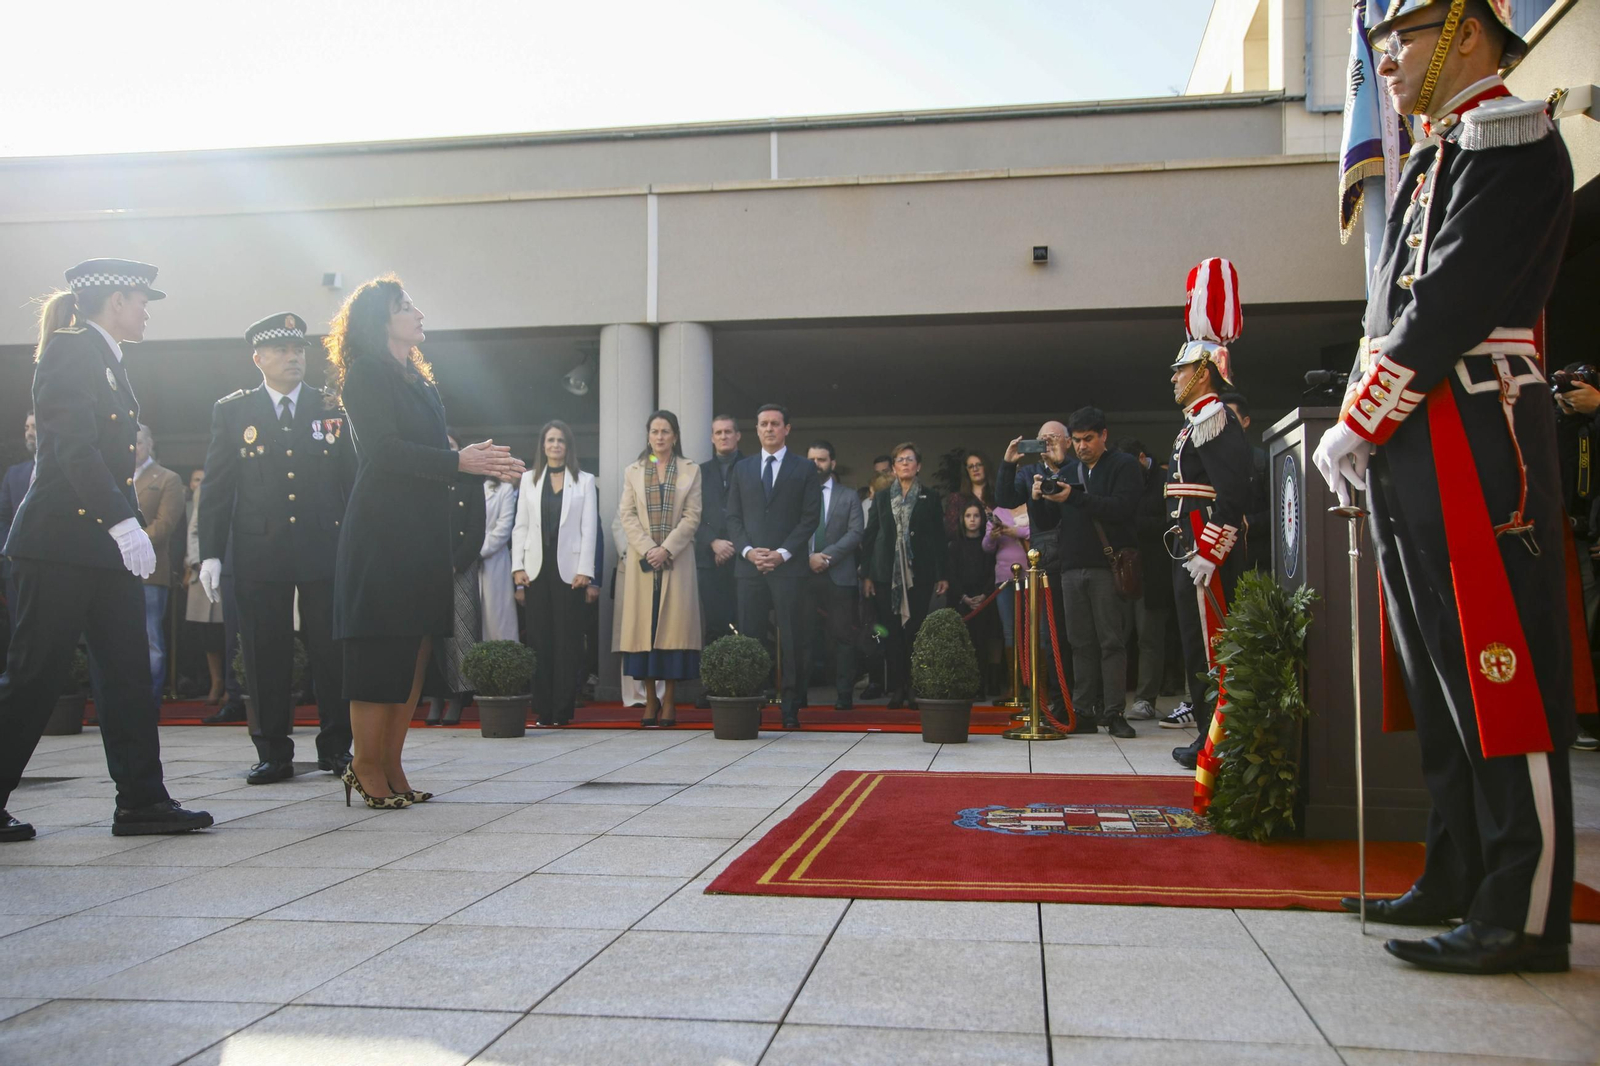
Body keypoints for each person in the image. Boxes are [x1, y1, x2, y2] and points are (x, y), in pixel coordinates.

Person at [1310, 0, 1578, 974]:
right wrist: (1364, 418)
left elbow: (1454, 297)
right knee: (1442, 673)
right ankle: (1461, 868)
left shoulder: (1508, 139)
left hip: (1475, 424)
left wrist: (1363, 414)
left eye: (1403, 41)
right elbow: (1394, 309)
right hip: (1423, 433)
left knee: (1501, 672)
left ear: (1465, 33)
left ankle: (1525, 903)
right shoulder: (1435, 157)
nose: (1386, 64)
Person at [0, 258, 212, 843]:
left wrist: (122, 530)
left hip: (100, 547)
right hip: (60, 544)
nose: (147, 311)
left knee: (126, 675)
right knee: (34, 677)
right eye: (142, 300)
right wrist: (126, 524)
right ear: (116, 301)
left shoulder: (108, 360)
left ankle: (142, 801)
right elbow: (73, 448)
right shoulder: (71, 349)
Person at [328, 276, 523, 808]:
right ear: (380, 319)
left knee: (413, 652)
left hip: (420, 536)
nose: (417, 313)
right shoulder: (365, 374)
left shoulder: (420, 379)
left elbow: (435, 459)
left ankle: (391, 762)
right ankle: (364, 765)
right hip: (381, 536)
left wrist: (483, 462)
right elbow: (386, 452)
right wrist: (461, 461)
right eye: (405, 306)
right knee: (378, 654)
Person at [198, 313, 359, 784]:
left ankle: (336, 747)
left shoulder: (331, 406)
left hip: (322, 547)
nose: (294, 358)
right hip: (258, 551)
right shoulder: (233, 411)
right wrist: (211, 551)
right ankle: (273, 752)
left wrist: (356, 543)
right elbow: (218, 487)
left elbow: (352, 482)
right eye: (283, 351)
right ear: (259, 358)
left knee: (331, 652)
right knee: (265, 653)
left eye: (299, 350)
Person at [1164, 259, 1252, 773]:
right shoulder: (1194, 420)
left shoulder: (1213, 414)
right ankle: (1205, 734)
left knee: (1212, 647)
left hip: (1202, 543)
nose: (1174, 378)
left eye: (1180, 369)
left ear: (1202, 371)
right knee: (1196, 648)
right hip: (1187, 541)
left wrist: (1212, 549)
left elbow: (1234, 490)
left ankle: (1216, 739)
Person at [1034, 406, 1143, 738]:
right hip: (1070, 568)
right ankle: (1081, 710)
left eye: (1088, 439)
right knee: (1079, 642)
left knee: (1111, 641)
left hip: (1106, 567)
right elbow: (1047, 523)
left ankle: (1113, 712)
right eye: (1077, 440)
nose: (1082, 446)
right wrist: (1040, 497)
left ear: (1103, 435)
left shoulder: (1123, 465)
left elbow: (1122, 508)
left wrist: (1074, 498)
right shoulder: (1068, 472)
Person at [725, 404, 820, 728]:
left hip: (788, 568)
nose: (769, 429)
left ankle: (791, 708)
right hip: (749, 567)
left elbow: (810, 518)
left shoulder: (804, 468)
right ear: (757, 429)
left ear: (787, 429)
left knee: (791, 639)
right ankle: (752, 703)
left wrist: (782, 553)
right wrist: (749, 551)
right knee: (750, 638)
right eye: (763, 424)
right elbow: (733, 517)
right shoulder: (743, 468)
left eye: (775, 424)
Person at [617, 410, 702, 727]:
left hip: (676, 560)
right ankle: (649, 700)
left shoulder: (689, 470)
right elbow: (627, 516)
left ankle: (669, 702)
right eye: (655, 431)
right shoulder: (634, 471)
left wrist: (666, 548)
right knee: (645, 631)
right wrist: (650, 549)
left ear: (675, 436)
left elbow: (692, 516)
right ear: (648, 436)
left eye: (666, 431)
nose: (660, 437)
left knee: (672, 631)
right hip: (644, 562)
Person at [511, 420, 597, 727]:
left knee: (567, 641)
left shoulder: (585, 481)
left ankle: (562, 710)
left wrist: (586, 570)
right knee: (539, 639)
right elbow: (520, 525)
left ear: (568, 446)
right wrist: (517, 567)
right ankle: (543, 710)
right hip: (535, 570)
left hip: (570, 573)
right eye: (550, 440)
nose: (555, 445)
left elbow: (589, 529)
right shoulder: (528, 480)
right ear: (543, 445)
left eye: (561, 440)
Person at [861, 442, 947, 708]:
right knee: (893, 634)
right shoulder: (883, 496)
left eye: (910, 459)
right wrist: (867, 575)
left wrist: (942, 574)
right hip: (886, 574)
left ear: (918, 466)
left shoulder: (930, 497)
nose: (905, 463)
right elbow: (871, 535)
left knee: (915, 631)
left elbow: (938, 539)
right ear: (894, 467)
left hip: (919, 574)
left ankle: (915, 687)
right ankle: (898, 687)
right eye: (900, 459)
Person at [999, 421, 1075, 705]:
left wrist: (1062, 467)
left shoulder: (1077, 468)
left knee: (1078, 634)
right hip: (1046, 558)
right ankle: (1056, 697)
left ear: (1068, 442)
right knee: (1050, 633)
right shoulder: (1031, 473)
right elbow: (1005, 498)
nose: (1048, 443)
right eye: (1042, 439)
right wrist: (1008, 464)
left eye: (1054, 438)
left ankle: (1085, 699)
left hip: (1079, 555)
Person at [425, 434, 488, 726]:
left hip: (460, 567)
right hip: (427, 569)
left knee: (461, 635)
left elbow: (477, 531)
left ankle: (457, 698)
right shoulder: (425, 485)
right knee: (430, 636)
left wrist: (455, 564)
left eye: (451, 447)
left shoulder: (471, 484)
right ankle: (434, 697)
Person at [803, 439, 864, 709]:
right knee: (803, 636)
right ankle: (799, 696)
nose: (816, 465)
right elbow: (790, 531)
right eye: (812, 460)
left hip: (839, 575)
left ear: (832, 463)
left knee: (843, 637)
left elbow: (855, 534)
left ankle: (843, 695)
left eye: (822, 460)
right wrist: (808, 558)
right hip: (804, 574)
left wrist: (824, 558)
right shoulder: (797, 495)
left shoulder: (849, 495)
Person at [1122, 440, 1177, 722]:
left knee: (1149, 637)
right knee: (1116, 637)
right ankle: (1110, 699)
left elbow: (1172, 523)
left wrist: (1132, 523)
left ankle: (1145, 699)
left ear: (1142, 458)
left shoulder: (1166, 481)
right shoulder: (1122, 478)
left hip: (1154, 569)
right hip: (1121, 570)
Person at [132, 423, 183, 706]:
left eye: (138, 442)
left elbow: (164, 526)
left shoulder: (167, 478)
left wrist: (125, 542)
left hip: (149, 571)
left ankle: (148, 705)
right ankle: (120, 704)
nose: (134, 448)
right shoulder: (116, 476)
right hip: (115, 573)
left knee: (151, 641)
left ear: (150, 444)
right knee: (117, 642)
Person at [695, 415, 743, 655]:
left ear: (738, 435)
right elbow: (691, 515)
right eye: (718, 433)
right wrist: (713, 542)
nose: (723, 436)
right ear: (712, 438)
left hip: (744, 559)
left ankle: (746, 687)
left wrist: (732, 545)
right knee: (714, 625)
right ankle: (715, 687)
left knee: (744, 624)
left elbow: (756, 514)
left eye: (728, 431)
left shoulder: (752, 467)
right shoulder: (698, 472)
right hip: (708, 559)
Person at [183, 470, 226, 705]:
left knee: (232, 631)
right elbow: (195, 528)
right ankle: (216, 681)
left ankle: (234, 684)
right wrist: (197, 562)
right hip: (208, 566)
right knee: (210, 632)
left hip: (236, 565)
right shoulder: (205, 487)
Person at [951, 501, 1002, 694]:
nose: (972, 520)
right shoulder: (955, 545)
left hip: (985, 599)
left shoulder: (988, 545)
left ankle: (983, 685)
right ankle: (966, 685)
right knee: (965, 642)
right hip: (963, 600)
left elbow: (992, 572)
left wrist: (984, 595)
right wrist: (964, 597)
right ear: (962, 520)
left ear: (982, 520)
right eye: (968, 516)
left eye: (976, 516)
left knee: (983, 641)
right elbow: (952, 574)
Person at [982, 498, 1029, 701]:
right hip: (1004, 579)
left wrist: (1014, 531)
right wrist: (992, 536)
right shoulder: (998, 511)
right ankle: (1014, 687)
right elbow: (986, 546)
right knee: (1010, 632)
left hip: (1031, 577)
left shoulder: (1034, 506)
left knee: (1034, 632)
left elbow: (1039, 533)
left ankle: (1037, 687)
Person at [1220, 392, 1270, 572]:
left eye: (1230, 418)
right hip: (1218, 558)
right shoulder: (1208, 462)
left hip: (1257, 561)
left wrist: (1247, 522)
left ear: (1245, 421)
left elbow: (1280, 512)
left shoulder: (1262, 461)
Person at [0, 412, 36, 635]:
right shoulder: (14, 474)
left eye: (34, 426)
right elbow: (2, 518)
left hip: (55, 568)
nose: (29, 432)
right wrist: (8, 548)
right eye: (26, 427)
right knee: (19, 632)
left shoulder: (67, 471)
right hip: (16, 568)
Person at [479, 472, 519, 643]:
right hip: (463, 561)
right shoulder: (462, 487)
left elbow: (503, 529)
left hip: (493, 558)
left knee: (497, 619)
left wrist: (475, 551)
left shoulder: (505, 489)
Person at [943, 451, 995, 540]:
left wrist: (991, 517)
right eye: (971, 466)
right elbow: (951, 531)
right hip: (965, 549)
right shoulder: (957, 498)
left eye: (979, 465)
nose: (975, 469)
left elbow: (1005, 526)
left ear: (986, 467)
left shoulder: (997, 495)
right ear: (966, 471)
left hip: (995, 548)